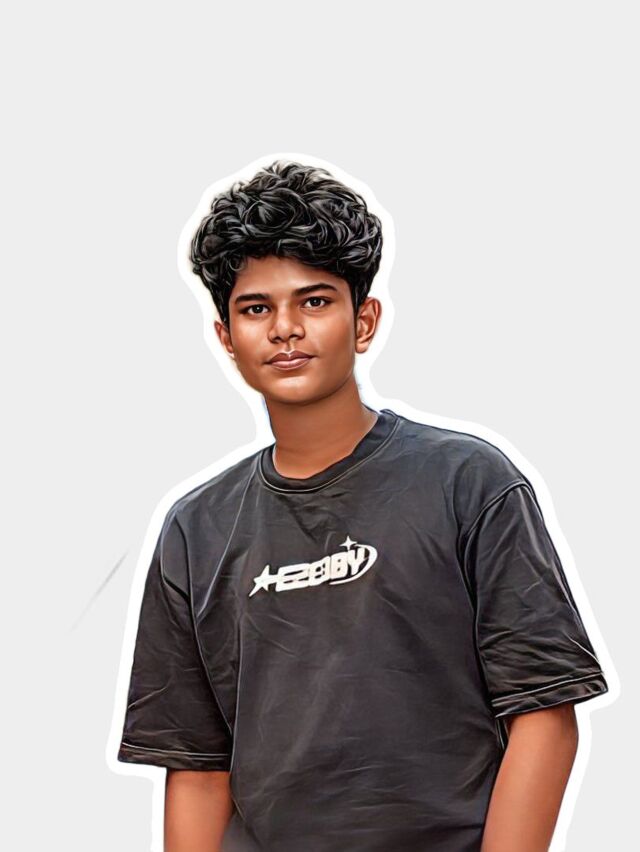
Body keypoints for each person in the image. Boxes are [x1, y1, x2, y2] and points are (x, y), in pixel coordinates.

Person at [116, 160, 609, 851]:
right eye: (256, 309)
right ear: (227, 338)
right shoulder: (196, 529)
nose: (285, 328)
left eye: (315, 302)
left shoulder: (468, 482)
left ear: (365, 320)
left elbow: (544, 713)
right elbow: (197, 765)